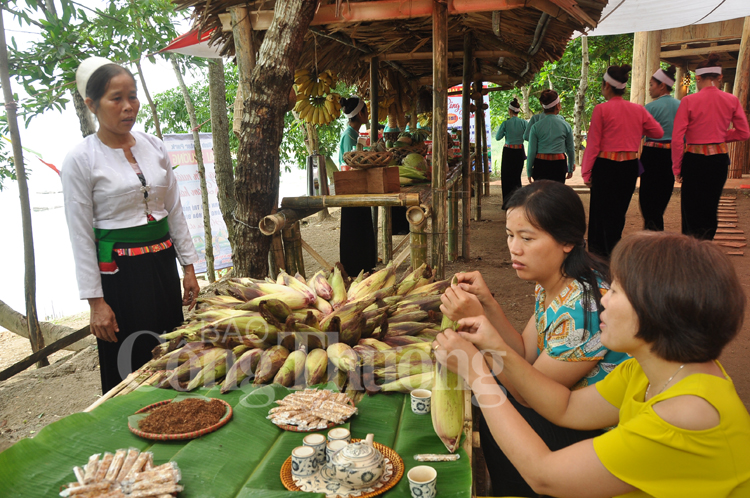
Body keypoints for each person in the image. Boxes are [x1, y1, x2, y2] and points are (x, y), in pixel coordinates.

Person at [435, 231, 750, 497]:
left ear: (657, 312)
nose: (604, 300)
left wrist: (478, 374)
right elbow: (566, 405)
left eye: (615, 290)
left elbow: (544, 475)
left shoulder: (687, 413)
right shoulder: (648, 369)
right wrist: (493, 346)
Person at [440, 180, 628, 497]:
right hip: (567, 405)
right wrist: (487, 303)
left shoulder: (579, 310)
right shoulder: (554, 280)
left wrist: (479, 347)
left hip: (598, 433)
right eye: (510, 236)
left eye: (527, 238)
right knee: (494, 393)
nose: (514, 248)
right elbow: (525, 352)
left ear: (567, 241)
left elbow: (529, 394)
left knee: (497, 404)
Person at [61, 57, 200, 394]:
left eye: (133, 96)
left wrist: (189, 268)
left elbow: (174, 209)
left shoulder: (153, 146)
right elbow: (80, 234)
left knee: (169, 348)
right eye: (116, 98)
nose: (128, 107)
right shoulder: (81, 159)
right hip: (119, 273)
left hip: (162, 264)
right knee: (130, 358)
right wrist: (96, 303)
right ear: (91, 104)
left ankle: (178, 416)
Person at [581, 65, 663, 258]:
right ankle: (614, 252)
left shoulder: (601, 109)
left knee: (600, 213)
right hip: (629, 167)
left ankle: (598, 256)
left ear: (607, 86)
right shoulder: (638, 110)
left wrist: (586, 172)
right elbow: (658, 132)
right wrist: (634, 131)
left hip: (605, 167)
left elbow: (593, 144)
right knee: (618, 213)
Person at [672, 54, 750, 240]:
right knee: (710, 206)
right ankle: (706, 248)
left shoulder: (689, 101)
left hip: (694, 160)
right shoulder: (731, 100)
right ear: (719, 77)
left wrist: (677, 167)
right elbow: (744, 133)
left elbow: (677, 138)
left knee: (691, 208)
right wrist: (721, 136)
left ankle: (691, 250)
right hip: (718, 161)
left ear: (698, 78)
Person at [338, 96, 377, 276]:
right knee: (354, 229)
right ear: (361, 114)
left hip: (359, 186)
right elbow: (348, 163)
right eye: (366, 110)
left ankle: (365, 266)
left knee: (362, 227)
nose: (368, 114)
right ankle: (354, 268)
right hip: (350, 187)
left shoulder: (355, 135)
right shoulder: (348, 135)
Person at [639, 66, 680, 231]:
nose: (649, 89)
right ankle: (655, 231)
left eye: (651, 85)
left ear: (662, 85)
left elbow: (637, 135)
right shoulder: (681, 106)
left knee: (647, 199)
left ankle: (652, 233)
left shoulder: (649, 108)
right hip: (672, 155)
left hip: (651, 155)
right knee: (663, 196)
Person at [526, 89, 575, 183]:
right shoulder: (566, 125)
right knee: (556, 195)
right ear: (558, 106)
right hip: (559, 165)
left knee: (541, 195)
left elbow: (532, 151)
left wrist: (529, 171)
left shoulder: (536, 127)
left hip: (541, 165)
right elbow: (570, 150)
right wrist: (570, 168)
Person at [494, 98, 527, 209]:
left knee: (507, 177)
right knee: (517, 177)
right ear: (518, 111)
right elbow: (527, 137)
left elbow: (498, 137)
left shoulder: (506, 123)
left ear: (510, 110)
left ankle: (507, 203)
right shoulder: (523, 123)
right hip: (519, 151)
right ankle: (518, 203)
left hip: (508, 152)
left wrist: (505, 131)